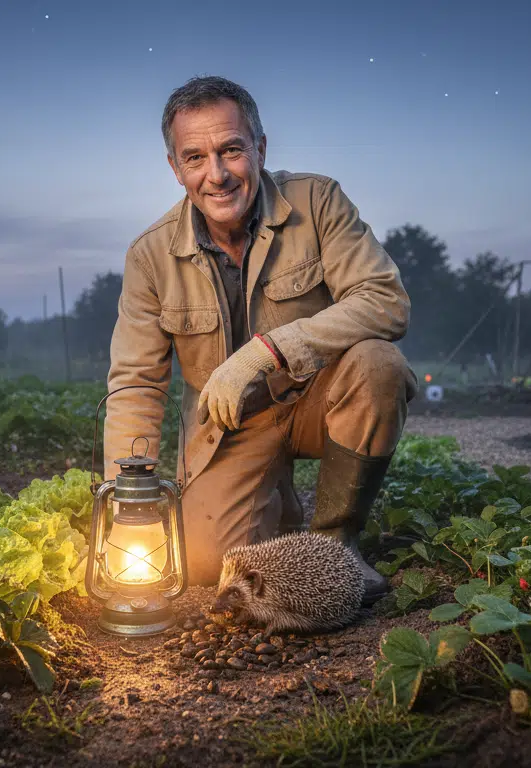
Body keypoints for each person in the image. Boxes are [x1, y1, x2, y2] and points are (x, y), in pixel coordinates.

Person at [102, 75, 417, 603]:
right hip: (231, 425)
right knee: (204, 564)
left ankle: (334, 548)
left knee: (378, 363)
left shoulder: (318, 201)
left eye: (231, 150)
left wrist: (268, 351)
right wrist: (126, 497)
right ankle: (277, 506)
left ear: (260, 148)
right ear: (176, 168)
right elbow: (136, 384)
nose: (217, 174)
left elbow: (385, 301)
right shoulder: (150, 256)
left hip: (319, 397)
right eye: (195, 158)